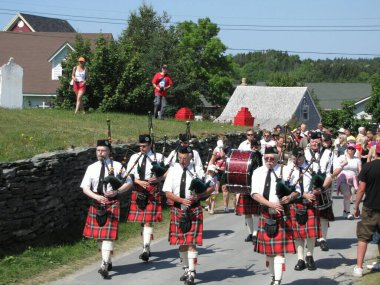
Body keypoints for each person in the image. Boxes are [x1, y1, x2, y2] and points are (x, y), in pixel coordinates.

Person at [80, 139, 133, 278]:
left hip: (112, 203)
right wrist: (96, 197)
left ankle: (104, 264)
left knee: (108, 236)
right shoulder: (91, 167)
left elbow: (129, 182)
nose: (100, 153)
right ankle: (107, 259)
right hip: (96, 203)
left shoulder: (117, 166)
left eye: (103, 150)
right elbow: (85, 187)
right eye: (98, 150)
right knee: (99, 237)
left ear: (109, 152)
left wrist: (117, 192)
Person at [162, 146, 213, 285]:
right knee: (182, 243)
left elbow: (212, 186)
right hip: (178, 209)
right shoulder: (173, 171)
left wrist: (200, 196)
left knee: (191, 243)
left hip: (194, 209)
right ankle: (186, 268)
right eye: (180, 158)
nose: (182, 161)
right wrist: (180, 200)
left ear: (191, 157)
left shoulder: (198, 171)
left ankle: (191, 272)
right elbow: (167, 192)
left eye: (185, 158)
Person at [251, 146, 297, 285]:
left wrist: (289, 197)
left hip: (282, 215)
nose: (269, 161)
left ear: (277, 158)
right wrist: (271, 204)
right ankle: (273, 276)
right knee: (269, 252)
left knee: (278, 251)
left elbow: (297, 190)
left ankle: (277, 281)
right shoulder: (258, 172)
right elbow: (255, 194)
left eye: (272, 158)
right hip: (266, 213)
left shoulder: (286, 170)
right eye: (266, 158)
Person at [126, 134, 165, 262]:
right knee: (143, 221)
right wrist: (138, 181)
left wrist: (159, 178)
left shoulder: (158, 157)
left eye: (144, 146)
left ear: (150, 145)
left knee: (148, 220)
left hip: (152, 189)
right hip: (138, 189)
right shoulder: (134, 157)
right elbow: (128, 174)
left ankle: (146, 249)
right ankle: (146, 243)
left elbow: (168, 171)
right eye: (140, 146)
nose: (141, 148)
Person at [288, 148, 321, 271]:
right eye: (294, 158)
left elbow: (320, 184)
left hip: (310, 204)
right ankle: (300, 259)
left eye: (299, 158)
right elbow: (287, 189)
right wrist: (302, 195)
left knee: (310, 234)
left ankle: (310, 256)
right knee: (298, 235)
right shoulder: (288, 170)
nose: (297, 160)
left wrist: (317, 190)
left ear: (303, 157)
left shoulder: (312, 168)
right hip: (295, 204)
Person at [352, 143, 380, 277]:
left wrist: (356, 206)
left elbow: (361, 189)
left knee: (363, 237)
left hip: (370, 207)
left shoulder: (368, 167)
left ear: (375, 152)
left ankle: (358, 267)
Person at [305, 131, 334, 251]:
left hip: (323, 187)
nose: (314, 143)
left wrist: (322, 187)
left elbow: (330, 172)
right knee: (309, 216)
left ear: (321, 141)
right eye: (312, 140)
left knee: (323, 216)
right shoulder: (304, 153)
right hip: (308, 188)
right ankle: (311, 238)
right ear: (309, 142)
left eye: (317, 140)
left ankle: (323, 239)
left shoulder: (328, 153)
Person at [237, 130, 262, 243]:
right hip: (246, 184)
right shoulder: (246, 154)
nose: (255, 149)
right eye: (254, 147)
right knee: (247, 211)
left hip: (256, 185)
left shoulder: (261, 157)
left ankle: (256, 233)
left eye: (257, 147)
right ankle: (250, 233)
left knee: (256, 211)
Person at [335, 142, 362, 220]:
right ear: (347, 149)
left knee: (353, 197)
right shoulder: (342, 157)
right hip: (343, 178)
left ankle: (345, 211)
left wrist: (361, 180)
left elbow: (360, 169)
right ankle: (348, 212)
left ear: (354, 150)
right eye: (349, 148)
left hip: (354, 179)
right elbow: (337, 167)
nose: (351, 150)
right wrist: (343, 163)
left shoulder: (357, 159)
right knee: (347, 195)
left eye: (352, 149)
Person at [208, 136, 234, 213]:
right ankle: (211, 206)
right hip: (216, 171)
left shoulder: (229, 150)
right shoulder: (216, 149)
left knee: (225, 188)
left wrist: (224, 156)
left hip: (225, 170)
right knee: (214, 189)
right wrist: (208, 170)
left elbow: (230, 161)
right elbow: (212, 160)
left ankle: (226, 206)